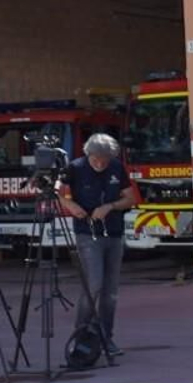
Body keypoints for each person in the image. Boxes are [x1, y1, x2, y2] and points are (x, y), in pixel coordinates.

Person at [59, 133, 139, 354]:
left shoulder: (116, 167)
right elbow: (60, 195)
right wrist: (71, 206)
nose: (100, 163)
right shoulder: (74, 168)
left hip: (113, 233)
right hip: (87, 233)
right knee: (93, 285)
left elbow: (130, 198)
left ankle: (105, 338)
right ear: (88, 154)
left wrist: (110, 206)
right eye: (96, 159)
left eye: (104, 159)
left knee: (110, 291)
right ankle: (81, 335)